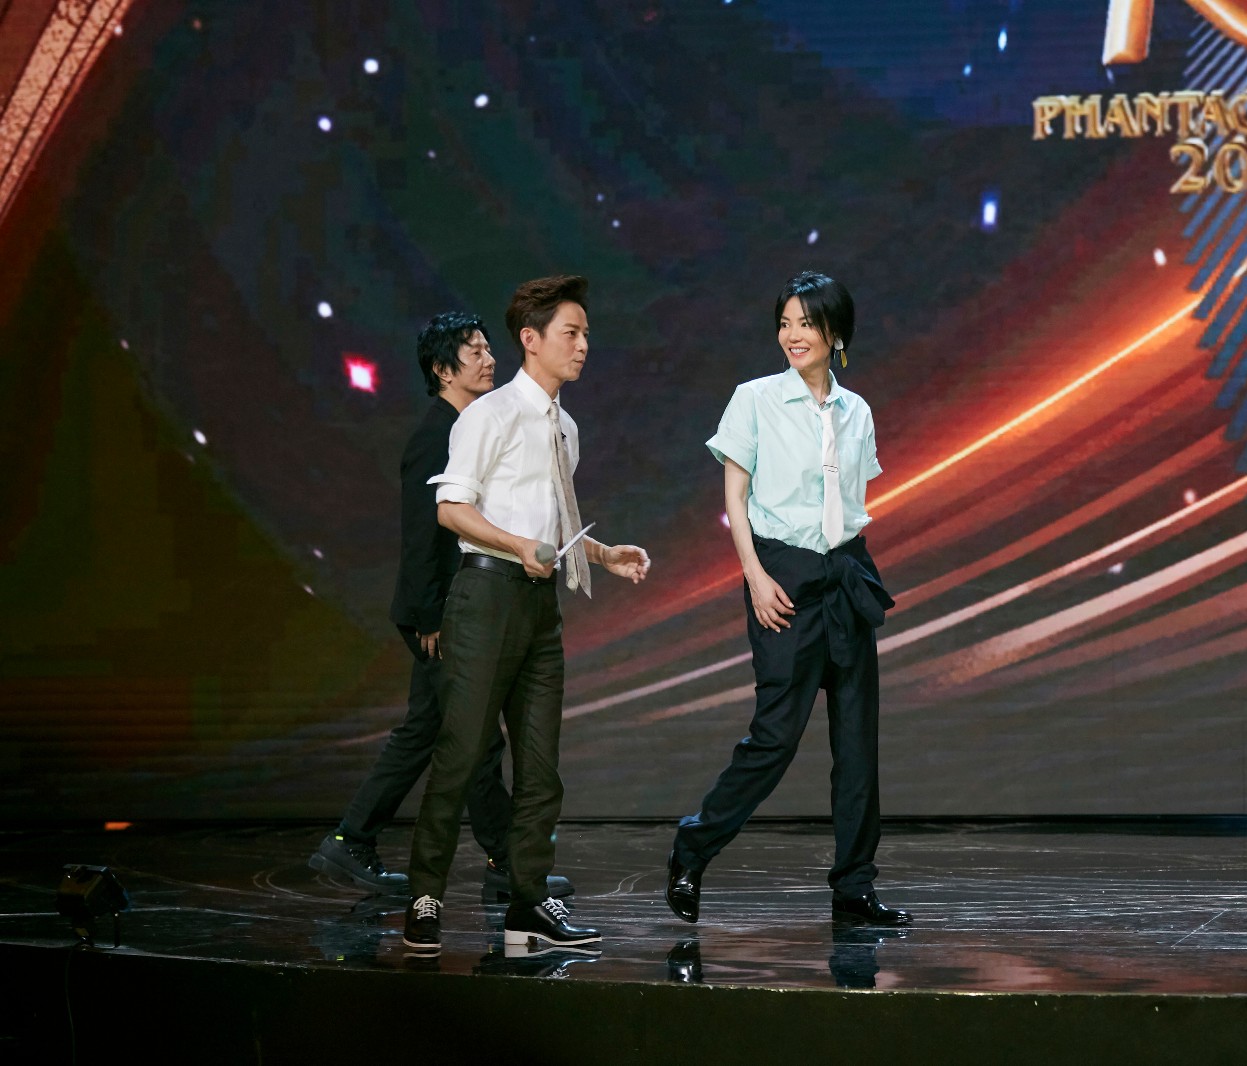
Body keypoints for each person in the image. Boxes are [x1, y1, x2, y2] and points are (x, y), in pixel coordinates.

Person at [401, 275, 651, 955]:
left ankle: (528, 901)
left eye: (587, 333)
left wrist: (603, 554)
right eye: (571, 333)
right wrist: (516, 546)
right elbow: (451, 508)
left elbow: (555, 523)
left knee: (542, 766)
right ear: (531, 339)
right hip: (484, 599)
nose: (583, 345)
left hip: (540, 608)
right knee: (460, 756)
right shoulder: (490, 415)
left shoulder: (565, 427)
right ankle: (424, 896)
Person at [666, 270, 911, 927]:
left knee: (857, 746)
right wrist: (754, 574)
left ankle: (854, 887)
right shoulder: (754, 399)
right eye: (785, 323)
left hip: (847, 576)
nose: (792, 335)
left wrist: (846, 563)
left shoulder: (857, 412)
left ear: (836, 333)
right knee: (775, 738)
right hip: (782, 575)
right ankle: (693, 846)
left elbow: (849, 501)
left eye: (806, 323)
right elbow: (735, 495)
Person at [308, 314, 573, 901]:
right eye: (473, 352)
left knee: (436, 729)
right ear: (442, 369)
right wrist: (431, 616)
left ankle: (357, 839)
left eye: (488, 349)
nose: (489, 359)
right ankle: (498, 858)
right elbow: (424, 534)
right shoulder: (440, 434)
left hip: (463, 608)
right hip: (444, 612)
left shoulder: (471, 425)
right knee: (469, 738)